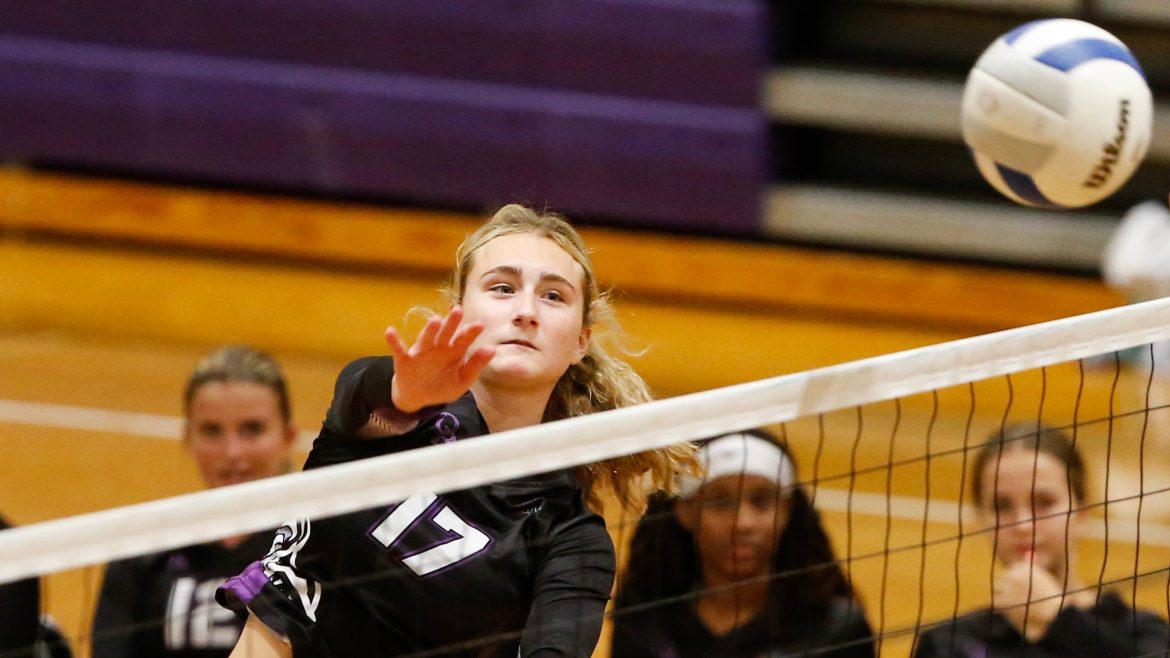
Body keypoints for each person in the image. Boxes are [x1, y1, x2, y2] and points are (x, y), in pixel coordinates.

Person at [216, 204, 695, 658]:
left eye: (553, 296)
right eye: (503, 288)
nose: (526, 311)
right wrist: (404, 398)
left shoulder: (571, 539)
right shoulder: (383, 415)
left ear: (580, 342)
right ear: (459, 310)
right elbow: (364, 405)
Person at [92, 346, 298, 658]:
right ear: (188, 439)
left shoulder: (322, 553)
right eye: (212, 431)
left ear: (288, 436)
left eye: (252, 429)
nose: (232, 452)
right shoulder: (143, 554)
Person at [611, 429, 876, 658]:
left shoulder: (835, 628)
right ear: (686, 511)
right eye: (721, 502)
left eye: (761, 501)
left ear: (787, 511)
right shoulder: (645, 623)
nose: (743, 524)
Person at [913, 422, 1170, 657]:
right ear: (981, 518)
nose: (1023, 525)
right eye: (1002, 506)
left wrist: (1058, 618)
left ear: (1082, 512)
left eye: (1044, 502)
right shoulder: (949, 644)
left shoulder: (1142, 633)